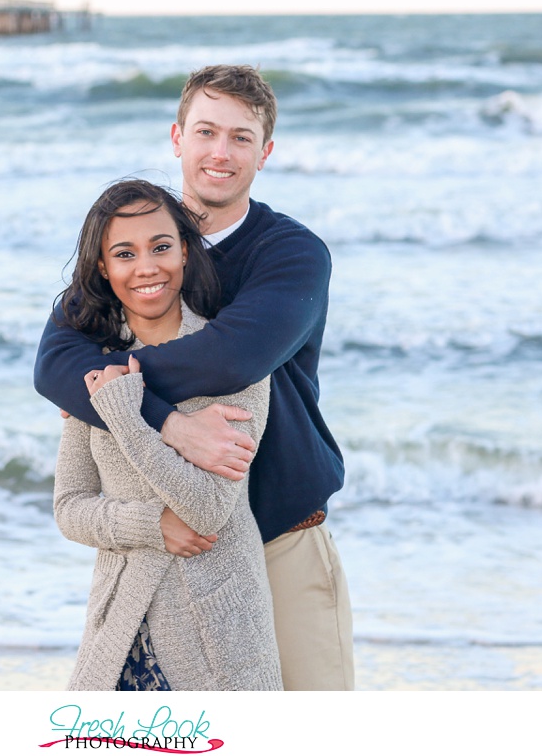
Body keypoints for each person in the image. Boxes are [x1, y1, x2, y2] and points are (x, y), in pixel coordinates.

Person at [36, 65, 354, 690]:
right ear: (177, 137)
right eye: (206, 131)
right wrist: (168, 422)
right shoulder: (135, 248)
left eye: (241, 137)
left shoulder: (291, 254)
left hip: (276, 538)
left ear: (265, 152)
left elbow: (231, 357)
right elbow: (53, 365)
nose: (220, 152)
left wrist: (108, 388)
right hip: (167, 547)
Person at [52, 178, 282, 691]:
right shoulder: (94, 368)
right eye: (124, 253)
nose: (147, 267)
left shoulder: (234, 359)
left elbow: (206, 511)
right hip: (117, 628)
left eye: (161, 247)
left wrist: (126, 414)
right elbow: (69, 508)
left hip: (218, 636)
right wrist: (151, 525)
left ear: (185, 251)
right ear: (103, 269)